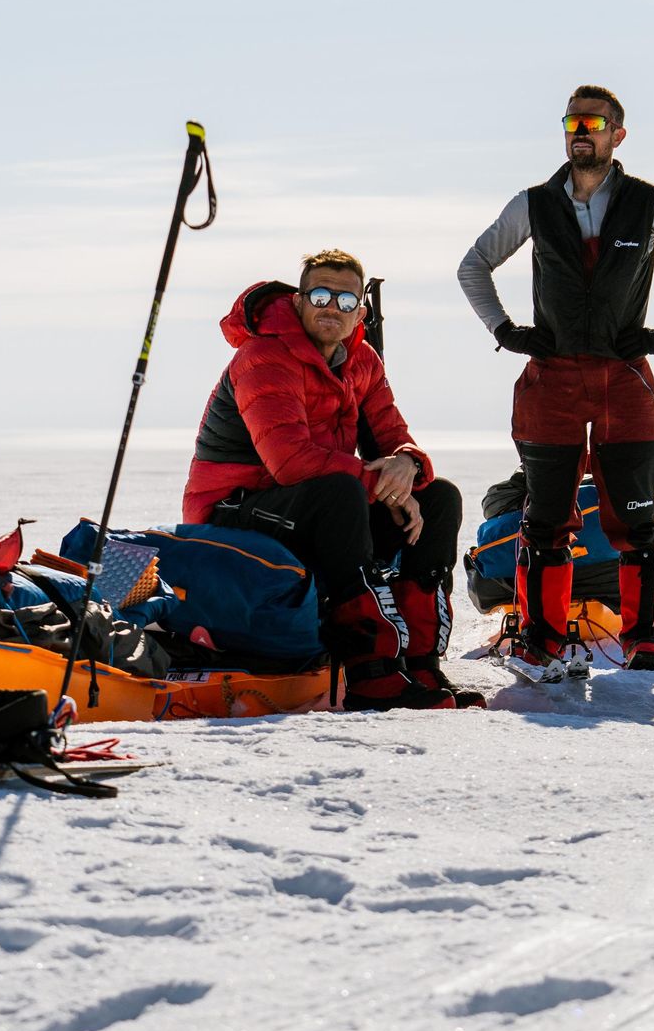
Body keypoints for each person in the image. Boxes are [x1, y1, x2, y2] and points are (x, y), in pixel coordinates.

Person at [458, 84, 654, 672]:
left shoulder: (648, 202)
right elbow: (472, 266)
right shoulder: (532, 204)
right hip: (550, 381)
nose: (582, 131)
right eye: (573, 121)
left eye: (594, 122)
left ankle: (646, 638)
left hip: (622, 380)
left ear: (618, 134)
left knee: (635, 517)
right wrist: (505, 330)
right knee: (547, 517)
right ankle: (541, 637)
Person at [184, 250, 470, 710]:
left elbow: (392, 437)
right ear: (299, 302)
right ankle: (369, 671)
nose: (330, 307)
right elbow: (291, 463)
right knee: (340, 495)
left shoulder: (363, 361)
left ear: (361, 310)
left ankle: (418, 663)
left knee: (437, 498)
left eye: (344, 299)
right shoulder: (264, 357)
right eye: (319, 295)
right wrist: (381, 485)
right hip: (234, 510)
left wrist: (408, 466)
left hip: (319, 503)